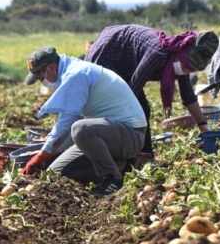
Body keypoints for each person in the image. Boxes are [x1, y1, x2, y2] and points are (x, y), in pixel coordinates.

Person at [21, 46, 147, 196]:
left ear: (51, 68)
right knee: (55, 174)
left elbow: (68, 123)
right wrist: (52, 153)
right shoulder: (70, 74)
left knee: (81, 129)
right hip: (106, 135)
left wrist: (42, 155)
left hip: (130, 136)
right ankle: (125, 166)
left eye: (41, 78)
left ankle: (113, 177)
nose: (42, 83)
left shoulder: (76, 74)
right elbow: (70, 126)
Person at [84, 24, 218, 159]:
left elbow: (188, 96)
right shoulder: (157, 55)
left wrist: (203, 127)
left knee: (140, 109)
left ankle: (144, 155)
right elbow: (133, 90)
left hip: (128, 61)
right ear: (182, 53)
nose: (187, 71)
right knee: (132, 108)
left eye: (192, 69)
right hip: (111, 51)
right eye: (187, 65)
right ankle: (120, 151)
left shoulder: (178, 60)